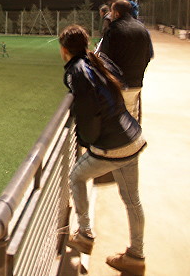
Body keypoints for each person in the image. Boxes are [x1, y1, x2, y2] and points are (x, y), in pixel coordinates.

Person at [60, 25, 146, 275]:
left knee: (77, 176)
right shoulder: (97, 60)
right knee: (133, 200)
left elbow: (88, 109)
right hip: (133, 138)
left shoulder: (77, 70)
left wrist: (88, 142)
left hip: (113, 145)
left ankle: (85, 234)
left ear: (64, 50)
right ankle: (136, 256)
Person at [99, 0, 153, 122]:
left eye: (111, 12)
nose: (110, 15)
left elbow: (105, 58)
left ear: (117, 13)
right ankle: (135, 140)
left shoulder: (113, 29)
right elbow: (148, 55)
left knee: (120, 122)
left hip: (119, 84)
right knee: (132, 117)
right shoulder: (142, 28)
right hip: (136, 82)